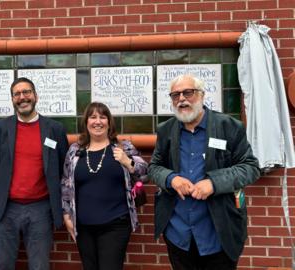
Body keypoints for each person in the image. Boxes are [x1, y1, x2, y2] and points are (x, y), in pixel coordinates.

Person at [148, 74, 260, 270]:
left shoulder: (229, 127)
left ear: (201, 95)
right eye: (175, 95)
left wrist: (214, 183)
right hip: (178, 233)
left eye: (188, 92)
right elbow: (154, 167)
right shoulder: (166, 130)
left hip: (218, 233)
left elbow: (250, 167)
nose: (181, 99)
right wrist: (171, 179)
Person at [0, 77, 69, 270]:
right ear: (12, 99)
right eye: (17, 94)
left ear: (35, 96)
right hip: (7, 208)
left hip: (41, 208)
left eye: (27, 92)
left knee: (39, 266)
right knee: (2, 264)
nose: (22, 97)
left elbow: (62, 164)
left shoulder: (54, 129)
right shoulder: (1, 127)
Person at [61, 102, 148, 270]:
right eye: (93, 117)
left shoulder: (124, 147)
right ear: (86, 122)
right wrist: (66, 215)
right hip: (83, 226)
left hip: (116, 224)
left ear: (109, 122)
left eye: (102, 117)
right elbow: (66, 184)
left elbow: (145, 174)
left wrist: (127, 162)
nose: (98, 121)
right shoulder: (75, 151)